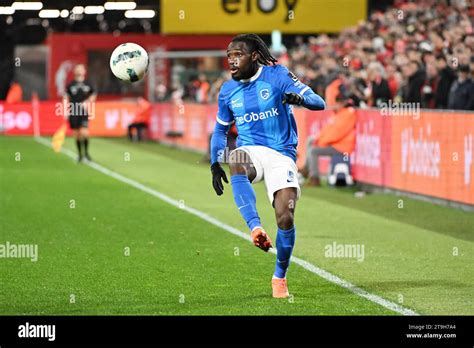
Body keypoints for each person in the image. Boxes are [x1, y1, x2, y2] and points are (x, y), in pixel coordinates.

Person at [209, 34, 325, 298]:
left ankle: (279, 277)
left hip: (282, 154)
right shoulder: (227, 91)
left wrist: (300, 99)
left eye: (237, 54)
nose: (231, 60)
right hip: (251, 150)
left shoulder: (278, 76)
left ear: (254, 56)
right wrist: (215, 161)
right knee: (235, 157)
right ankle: (255, 228)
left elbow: (320, 102)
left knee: (285, 216)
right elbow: (220, 131)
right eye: (229, 56)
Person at [305, 94, 357, 186]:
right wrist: (318, 139)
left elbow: (338, 133)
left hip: (342, 147)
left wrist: (321, 142)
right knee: (310, 140)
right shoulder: (338, 114)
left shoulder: (348, 114)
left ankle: (314, 178)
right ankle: (307, 170)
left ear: (342, 103)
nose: (335, 105)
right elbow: (327, 130)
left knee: (314, 151)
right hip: (336, 144)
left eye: (337, 103)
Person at [63, 64, 97, 162]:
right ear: (75, 71)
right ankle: (80, 155)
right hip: (73, 111)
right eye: (77, 69)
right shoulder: (70, 85)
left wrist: (87, 102)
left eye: (81, 69)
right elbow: (65, 98)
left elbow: (94, 94)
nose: (79, 70)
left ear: (84, 71)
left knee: (84, 133)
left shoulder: (88, 84)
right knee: (77, 134)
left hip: (83, 112)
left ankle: (86, 153)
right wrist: (65, 111)